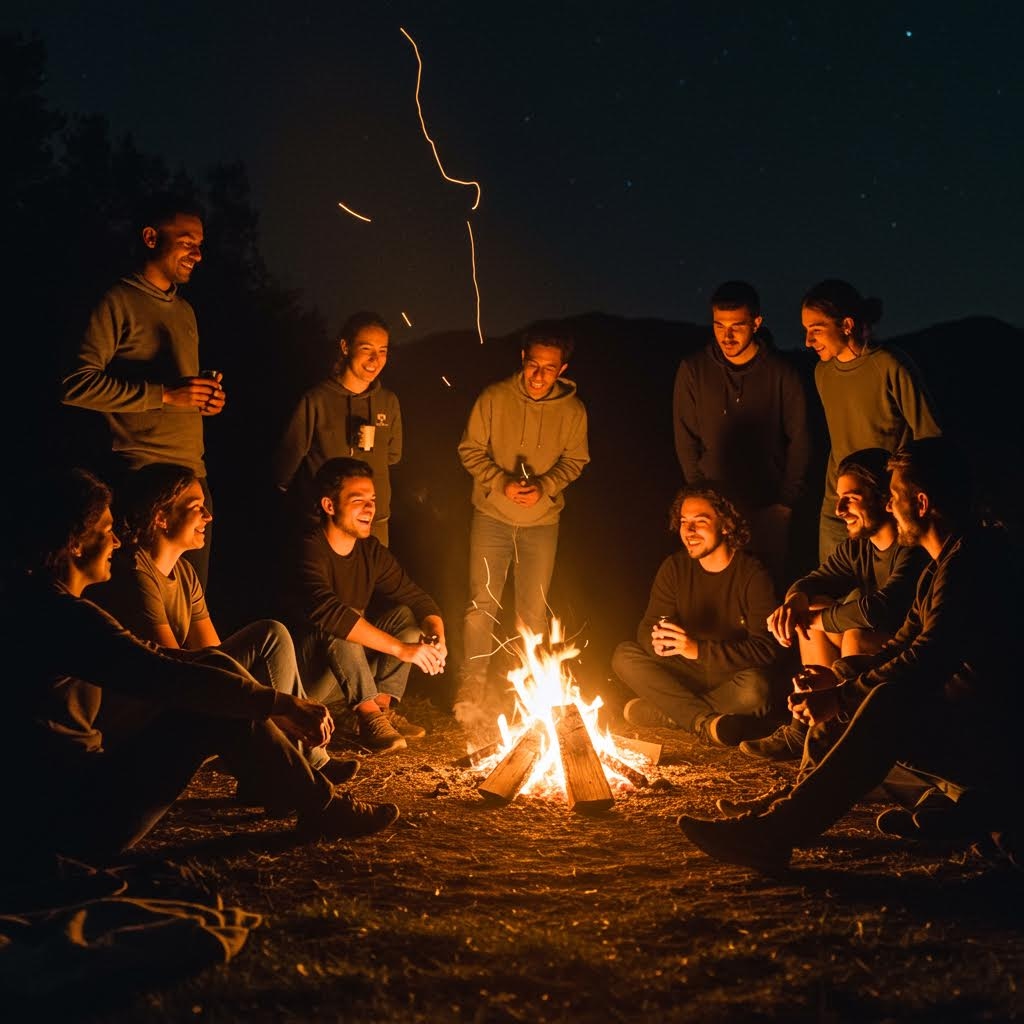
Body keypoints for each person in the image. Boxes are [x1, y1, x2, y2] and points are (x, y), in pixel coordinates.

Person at [4, 467, 399, 870]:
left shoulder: (40, 602)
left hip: (63, 803)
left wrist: (267, 701)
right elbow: (161, 673)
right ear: (73, 542)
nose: (117, 540)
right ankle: (322, 806)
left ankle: (296, 788)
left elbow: (179, 658)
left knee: (215, 673)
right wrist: (277, 704)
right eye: (106, 531)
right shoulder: (62, 617)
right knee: (212, 704)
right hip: (69, 817)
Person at [677, 438, 1023, 872]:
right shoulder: (943, 564)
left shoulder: (973, 562)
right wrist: (839, 683)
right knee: (857, 689)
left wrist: (842, 696)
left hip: (995, 737)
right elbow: (903, 646)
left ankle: (774, 834)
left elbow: (928, 657)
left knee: (885, 700)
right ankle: (782, 816)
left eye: (894, 498)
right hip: (965, 724)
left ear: (920, 502)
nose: (892, 509)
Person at [92, 462, 358, 786]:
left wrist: (262, 703)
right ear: (161, 517)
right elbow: (171, 668)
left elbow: (215, 656)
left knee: (264, 641)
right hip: (139, 719)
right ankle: (293, 765)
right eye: (196, 508)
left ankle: (283, 766)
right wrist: (275, 707)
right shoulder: (136, 572)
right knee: (268, 636)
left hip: (175, 693)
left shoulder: (185, 574)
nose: (208, 516)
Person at [61, 193, 225, 592]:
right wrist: (165, 395)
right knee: (140, 608)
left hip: (193, 474)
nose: (197, 254)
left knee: (192, 599)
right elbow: (74, 384)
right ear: (151, 238)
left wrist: (205, 400)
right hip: (142, 476)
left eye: (200, 245)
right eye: (187, 242)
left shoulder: (185, 312)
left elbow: (178, 393)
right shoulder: (117, 300)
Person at [740, 448, 929, 762]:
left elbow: (878, 609)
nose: (839, 509)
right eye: (838, 498)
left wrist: (812, 619)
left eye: (851, 498)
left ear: (884, 498)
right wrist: (795, 603)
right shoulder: (857, 548)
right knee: (812, 614)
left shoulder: (910, 546)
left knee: (853, 632)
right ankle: (806, 730)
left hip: (911, 655)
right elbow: (812, 582)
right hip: (876, 652)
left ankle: (847, 738)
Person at [454, 323, 590, 722]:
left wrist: (546, 484)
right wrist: (501, 482)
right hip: (492, 515)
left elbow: (576, 460)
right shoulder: (494, 398)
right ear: (523, 360)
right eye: (533, 365)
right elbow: (469, 450)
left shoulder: (573, 411)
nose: (539, 376)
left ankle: (527, 689)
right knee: (482, 605)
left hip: (542, 522)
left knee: (532, 612)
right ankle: (472, 684)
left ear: (563, 369)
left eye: (549, 369)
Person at [290, 457, 447, 754]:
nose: (370, 508)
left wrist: (437, 635)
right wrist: (402, 650)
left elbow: (418, 599)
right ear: (329, 505)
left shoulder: (371, 551)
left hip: (346, 674)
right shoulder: (308, 548)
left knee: (405, 619)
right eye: (358, 500)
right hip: (305, 679)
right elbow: (330, 613)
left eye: (372, 500)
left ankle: (380, 710)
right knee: (343, 620)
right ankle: (368, 716)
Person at [611, 486, 780, 746]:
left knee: (756, 690)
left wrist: (698, 650)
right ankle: (703, 721)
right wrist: (656, 642)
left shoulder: (753, 574)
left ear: (726, 525)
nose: (688, 532)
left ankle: (668, 712)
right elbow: (648, 627)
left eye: (700, 522)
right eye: (684, 522)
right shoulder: (675, 567)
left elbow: (765, 648)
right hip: (684, 672)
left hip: (729, 674)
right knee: (624, 656)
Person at [673, 281, 810, 588]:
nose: (727, 336)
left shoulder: (781, 372)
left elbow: (800, 439)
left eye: (736, 326)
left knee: (766, 589)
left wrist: (785, 503)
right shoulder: (694, 369)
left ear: (756, 323)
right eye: (719, 326)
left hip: (766, 506)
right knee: (717, 592)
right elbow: (685, 437)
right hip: (714, 510)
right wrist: (700, 499)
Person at [802, 279, 940, 561]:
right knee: (835, 581)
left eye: (816, 330)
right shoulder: (823, 373)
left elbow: (929, 435)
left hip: (884, 500)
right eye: (805, 331)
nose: (807, 341)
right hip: (837, 498)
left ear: (847, 325)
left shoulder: (889, 365)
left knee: (885, 586)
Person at [273, 311, 402, 545]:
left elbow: (392, 456)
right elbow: (286, 464)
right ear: (345, 347)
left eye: (382, 351)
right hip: (325, 522)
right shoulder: (317, 400)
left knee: (372, 582)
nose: (375, 359)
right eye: (366, 349)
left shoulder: (388, 402)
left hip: (374, 524)